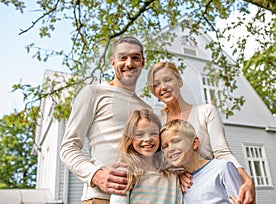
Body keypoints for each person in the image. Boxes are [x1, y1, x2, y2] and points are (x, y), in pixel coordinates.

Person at [60, 36, 152, 204]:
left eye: (135, 58)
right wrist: (96, 175)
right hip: (100, 197)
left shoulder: (148, 109)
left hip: (142, 198)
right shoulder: (93, 93)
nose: (129, 63)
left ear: (142, 63)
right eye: (123, 58)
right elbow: (68, 147)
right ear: (112, 62)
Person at [147, 62, 255, 204]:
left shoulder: (205, 111)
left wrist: (247, 180)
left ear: (180, 81)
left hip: (212, 188)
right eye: (156, 84)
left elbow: (222, 152)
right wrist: (175, 175)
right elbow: (156, 164)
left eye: (168, 80)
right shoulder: (158, 124)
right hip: (182, 192)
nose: (163, 87)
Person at [160, 119, 242, 204]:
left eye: (176, 141)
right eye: (165, 146)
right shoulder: (180, 182)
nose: (170, 149)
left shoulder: (222, 168)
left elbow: (240, 200)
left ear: (195, 143)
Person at [110, 109, 182, 204]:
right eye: (139, 134)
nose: (147, 139)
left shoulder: (172, 174)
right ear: (130, 138)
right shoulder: (125, 174)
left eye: (153, 133)